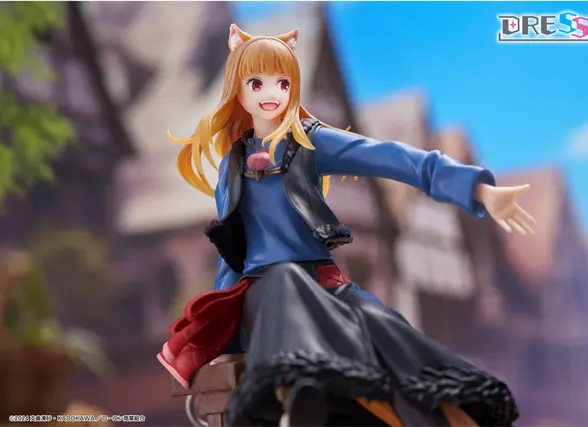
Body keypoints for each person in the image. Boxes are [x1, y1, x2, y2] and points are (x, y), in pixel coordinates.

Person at [158, 23, 535, 427]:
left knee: (381, 323)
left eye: (283, 84)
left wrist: (477, 189)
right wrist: (222, 329)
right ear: (239, 90)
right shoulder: (232, 168)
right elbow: (232, 253)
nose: (271, 94)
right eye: (257, 83)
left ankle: (444, 417)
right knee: (285, 281)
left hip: (321, 286)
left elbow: (392, 158)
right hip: (264, 296)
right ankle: (295, 395)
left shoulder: (309, 142)